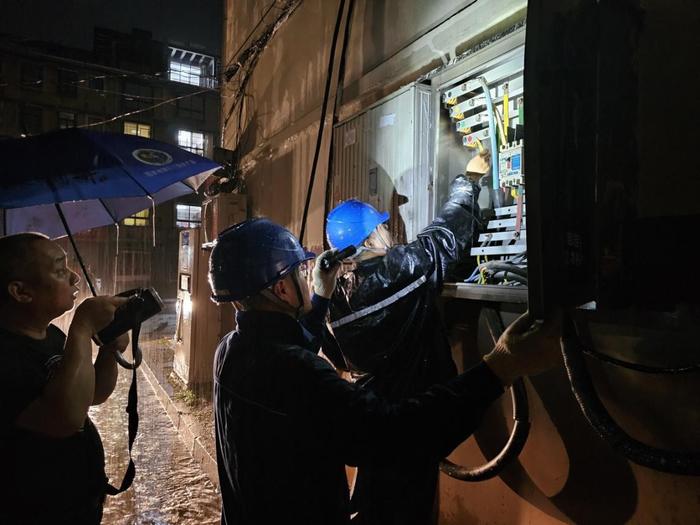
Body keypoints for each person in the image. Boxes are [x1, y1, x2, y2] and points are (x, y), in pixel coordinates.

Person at [208, 217, 560, 525]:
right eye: (300, 271)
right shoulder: (302, 376)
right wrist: (498, 369)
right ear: (281, 288)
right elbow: (394, 437)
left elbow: (288, 349)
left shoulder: (230, 352)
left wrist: (322, 295)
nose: (306, 274)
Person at [324, 173, 485, 524]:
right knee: (407, 507)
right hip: (412, 418)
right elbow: (443, 238)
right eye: (381, 227)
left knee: (374, 498)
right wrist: (466, 183)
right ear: (369, 238)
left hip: (373, 418)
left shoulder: (335, 300)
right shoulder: (399, 271)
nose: (389, 230)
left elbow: (338, 357)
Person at [0, 233, 129, 525]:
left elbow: (91, 395)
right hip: (35, 512)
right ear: (20, 292)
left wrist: (109, 350)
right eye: (59, 271)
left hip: (79, 504)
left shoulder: (52, 335)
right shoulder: (6, 355)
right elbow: (66, 418)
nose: (74, 278)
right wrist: (82, 327)